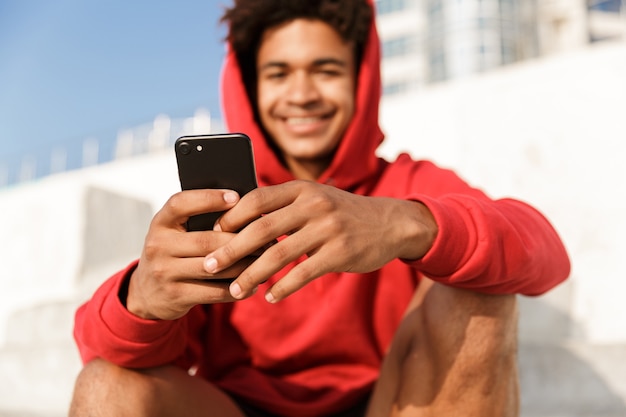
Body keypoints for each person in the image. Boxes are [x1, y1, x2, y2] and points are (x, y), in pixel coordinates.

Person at [69, 0, 571, 416]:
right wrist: (140, 300)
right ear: (249, 86)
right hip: (237, 407)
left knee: (481, 291)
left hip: (390, 403)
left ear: (362, 79)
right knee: (105, 386)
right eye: (278, 73)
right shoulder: (220, 203)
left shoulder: (404, 182)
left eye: (326, 70)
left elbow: (545, 252)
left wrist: (401, 221)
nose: (302, 94)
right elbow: (101, 352)